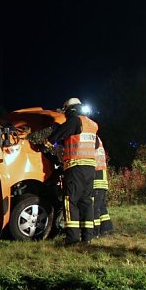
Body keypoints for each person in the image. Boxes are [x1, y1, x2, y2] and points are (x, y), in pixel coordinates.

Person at [48, 97, 98, 245]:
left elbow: (58, 135)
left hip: (76, 167)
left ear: (70, 109)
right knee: (86, 201)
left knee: (71, 201)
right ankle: (87, 237)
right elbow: (94, 145)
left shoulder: (75, 121)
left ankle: (72, 238)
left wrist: (46, 143)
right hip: (90, 168)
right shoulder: (92, 124)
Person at [93, 134, 114, 236]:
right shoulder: (96, 138)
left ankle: (95, 232)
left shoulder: (92, 139)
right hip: (101, 176)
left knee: (94, 206)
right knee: (100, 205)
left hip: (96, 176)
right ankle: (107, 227)